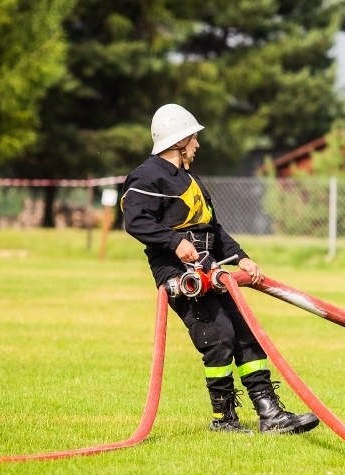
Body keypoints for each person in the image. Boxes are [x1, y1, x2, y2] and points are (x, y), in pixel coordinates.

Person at [121, 103, 320, 435]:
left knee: (246, 334)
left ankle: (270, 414)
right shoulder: (147, 175)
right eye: (194, 138)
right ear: (179, 140)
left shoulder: (191, 180)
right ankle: (224, 419)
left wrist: (241, 257)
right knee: (218, 337)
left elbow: (214, 230)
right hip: (179, 274)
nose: (197, 145)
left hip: (211, 268)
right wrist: (173, 242)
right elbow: (136, 220)